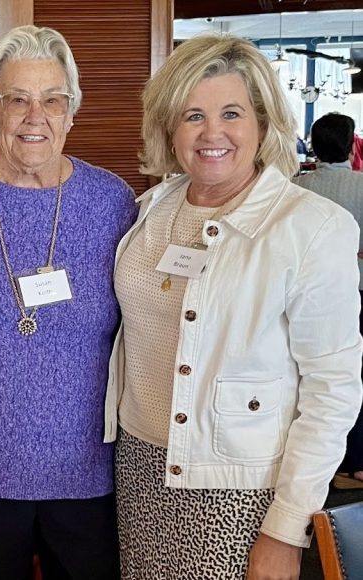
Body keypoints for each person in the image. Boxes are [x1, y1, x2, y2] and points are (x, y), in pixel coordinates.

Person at [108, 34, 363, 580]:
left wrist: (287, 528)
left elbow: (333, 390)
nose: (212, 133)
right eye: (192, 115)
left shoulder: (312, 227)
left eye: (231, 113)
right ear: (169, 127)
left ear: (263, 124)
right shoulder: (147, 210)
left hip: (242, 490)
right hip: (139, 470)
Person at [0, 25, 136, 580]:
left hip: (85, 467)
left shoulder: (111, 201)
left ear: (71, 113)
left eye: (53, 100)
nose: (35, 116)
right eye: (17, 99)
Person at [293, 112, 363, 491]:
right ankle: (357, 465)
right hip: (359, 290)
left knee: (312, 379)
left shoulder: (296, 186)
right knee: (349, 376)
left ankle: (328, 466)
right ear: (352, 145)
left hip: (305, 296)